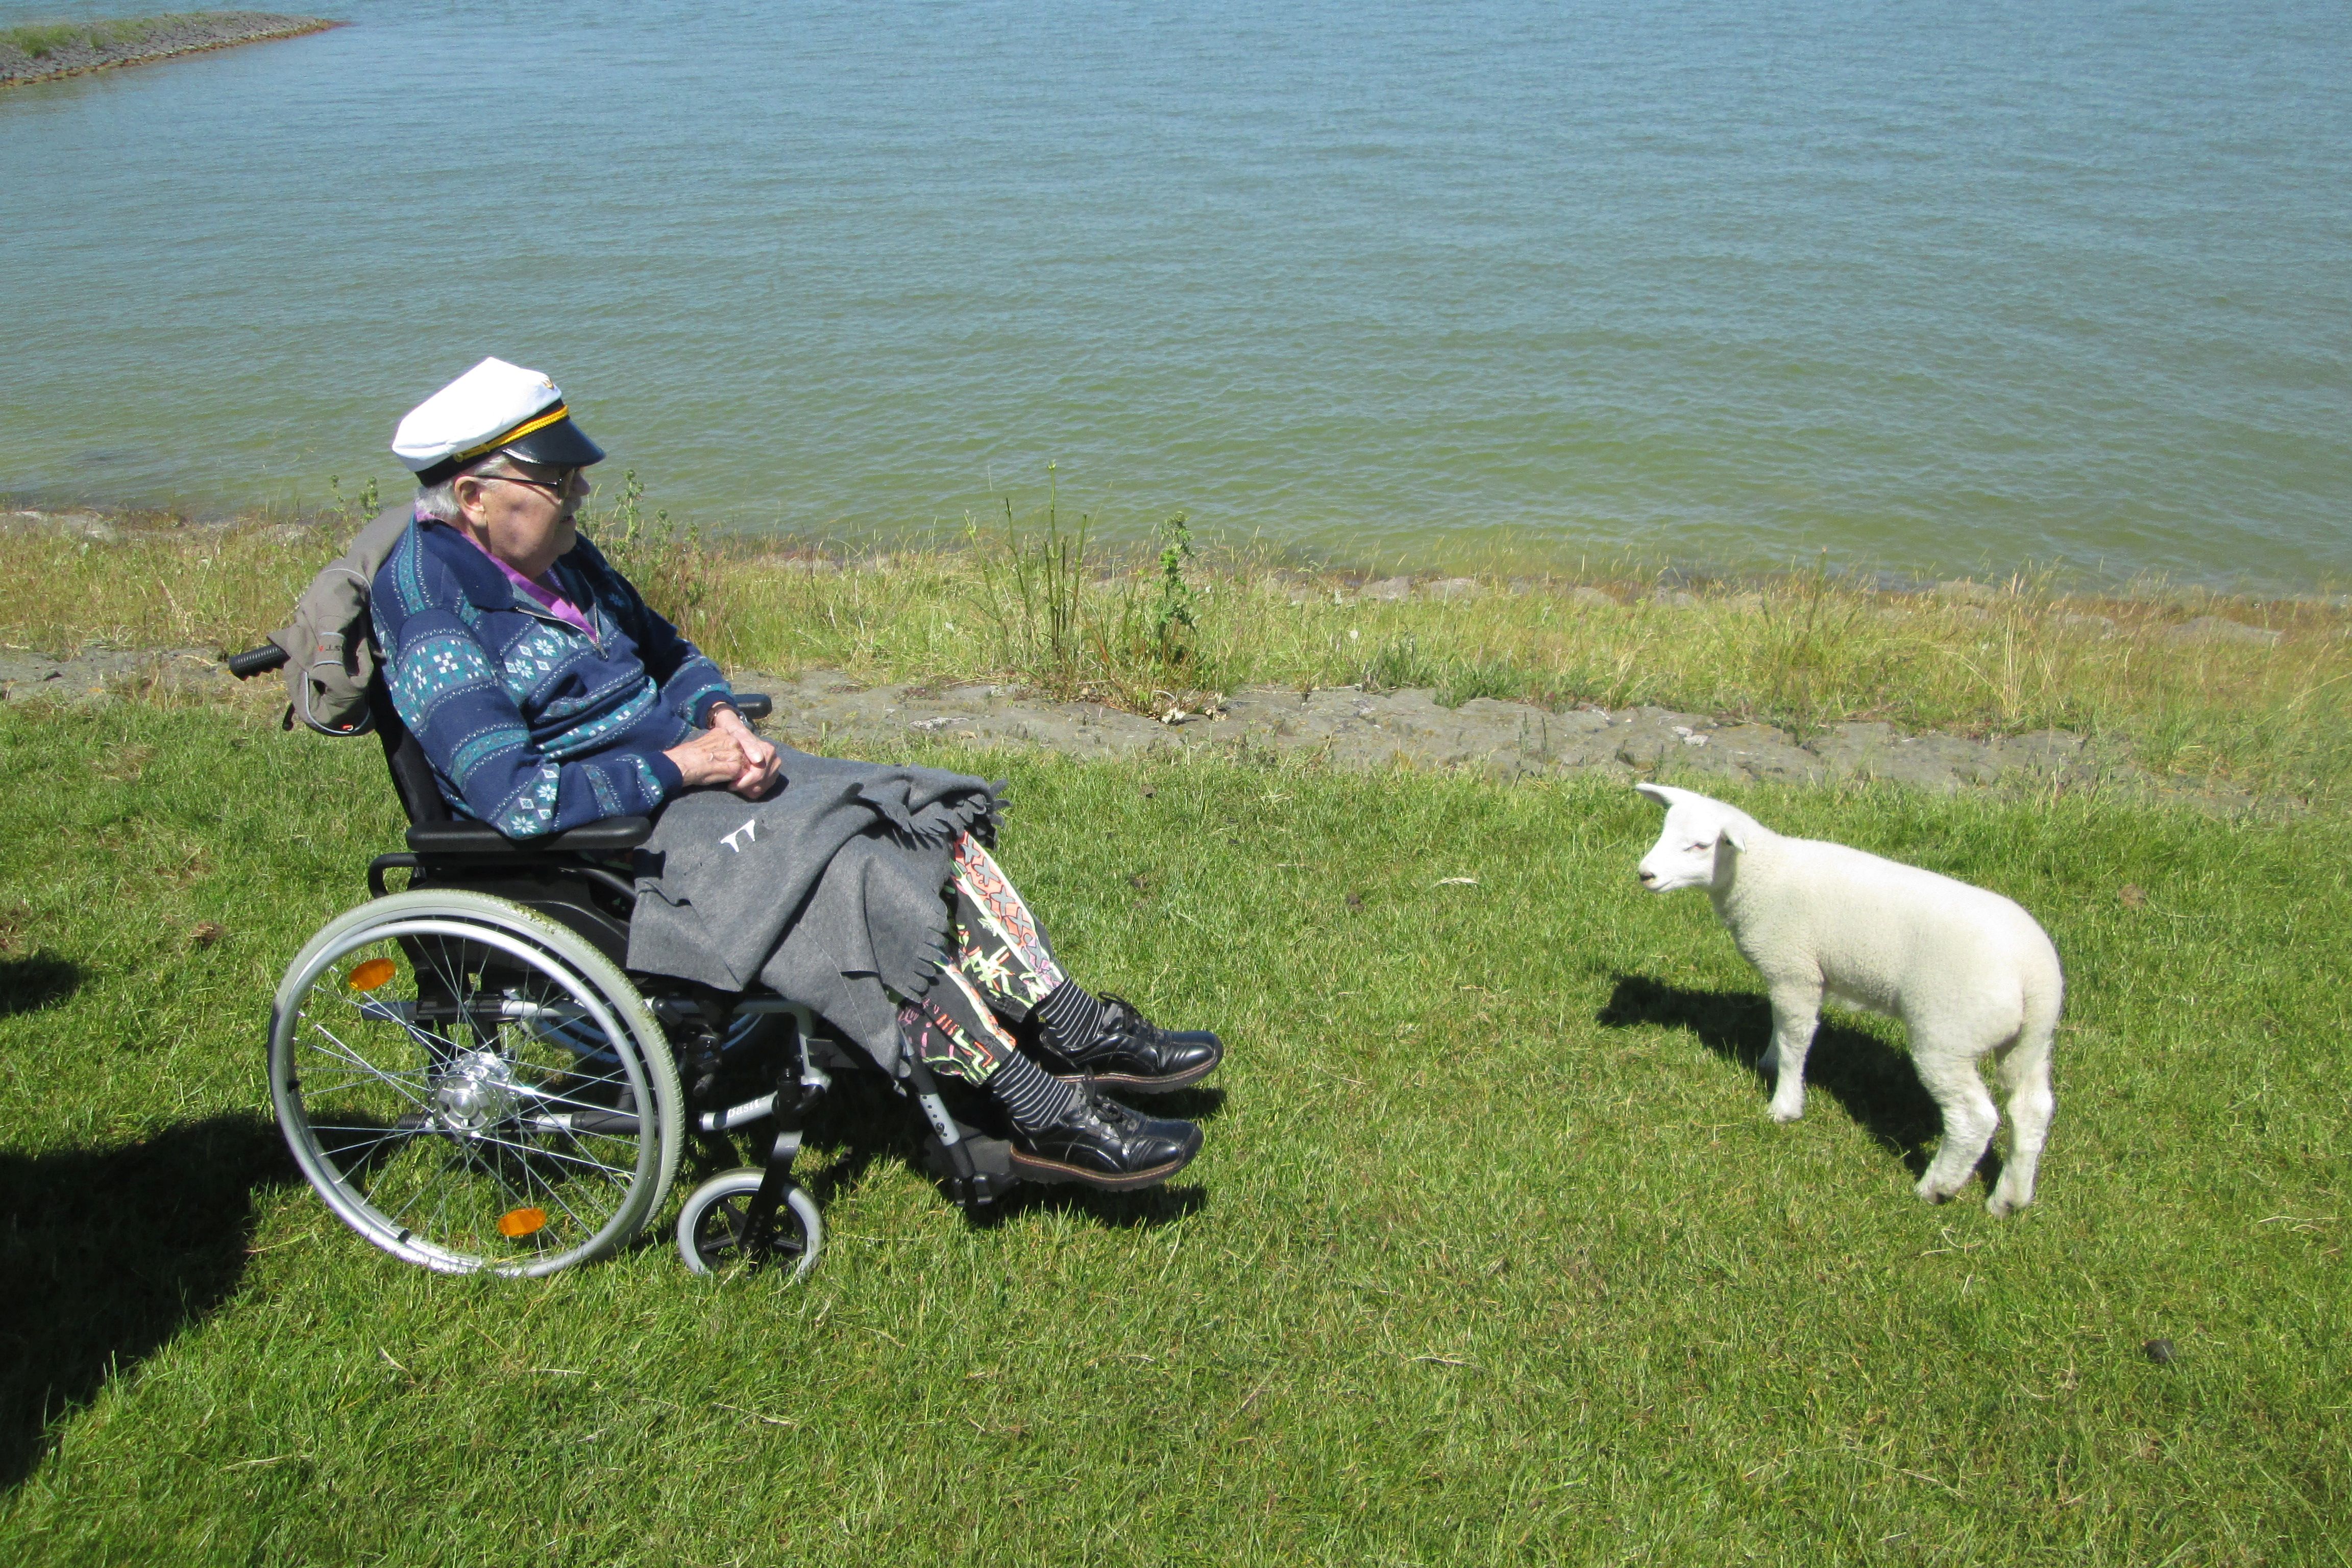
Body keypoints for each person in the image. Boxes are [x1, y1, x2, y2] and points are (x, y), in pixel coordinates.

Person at [371, 357, 1219, 1190]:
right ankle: (1038, 1109)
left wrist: (722, 721)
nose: (581, 492)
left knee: (910, 810)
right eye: (559, 479)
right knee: (856, 883)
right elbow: (519, 797)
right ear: (475, 497)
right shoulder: (429, 608)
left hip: (696, 777)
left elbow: (673, 653)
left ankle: (1066, 1022)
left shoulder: (557, 556)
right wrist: (681, 765)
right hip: (617, 842)